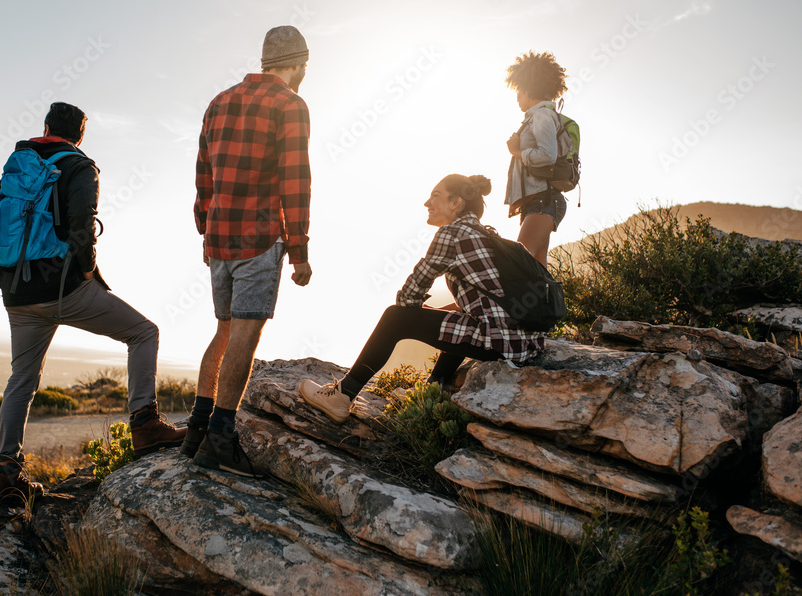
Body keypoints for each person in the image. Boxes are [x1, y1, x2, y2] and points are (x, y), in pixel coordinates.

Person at [0, 102, 185, 504]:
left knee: (21, 381)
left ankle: (7, 474)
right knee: (144, 333)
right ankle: (145, 425)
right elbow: (82, 225)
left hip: (16, 292)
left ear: (45, 127)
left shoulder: (18, 164)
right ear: (79, 135)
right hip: (65, 289)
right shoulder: (79, 166)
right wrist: (89, 272)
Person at [299, 174, 545, 423]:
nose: (427, 203)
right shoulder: (486, 233)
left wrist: (415, 311)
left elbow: (407, 299)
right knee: (456, 317)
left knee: (395, 317)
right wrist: (430, 312)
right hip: (524, 341)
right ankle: (436, 389)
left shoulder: (452, 233)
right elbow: (486, 303)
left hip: (501, 343)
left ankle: (342, 396)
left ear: (456, 203)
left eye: (435, 196)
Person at [185, 26, 313, 477]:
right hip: (259, 238)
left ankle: (196, 427)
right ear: (299, 64)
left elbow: (204, 177)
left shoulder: (218, 102)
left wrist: (205, 231)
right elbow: (296, 183)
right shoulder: (290, 105)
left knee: (223, 330)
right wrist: (298, 250)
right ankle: (220, 436)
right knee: (246, 333)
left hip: (219, 237)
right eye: (304, 68)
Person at [504, 50, 569, 266]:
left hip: (544, 201)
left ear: (529, 89)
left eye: (519, 91)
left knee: (518, 264)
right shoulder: (538, 117)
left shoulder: (541, 115)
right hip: (539, 202)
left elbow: (547, 156)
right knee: (537, 272)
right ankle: (548, 302)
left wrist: (516, 151)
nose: (517, 98)